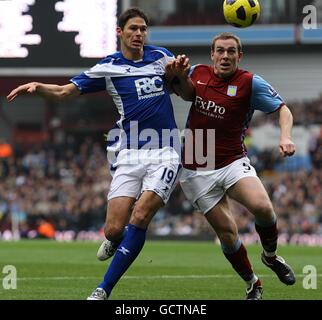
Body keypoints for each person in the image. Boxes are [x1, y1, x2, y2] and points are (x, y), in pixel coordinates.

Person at [7, 8, 182, 300]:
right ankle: (117, 240)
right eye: (133, 29)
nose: (139, 34)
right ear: (120, 32)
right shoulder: (108, 67)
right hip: (129, 154)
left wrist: (181, 75)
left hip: (165, 150)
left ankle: (103, 289)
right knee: (114, 229)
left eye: (143, 29)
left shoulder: (162, 57)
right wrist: (37, 87)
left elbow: (186, 92)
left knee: (140, 215)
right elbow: (65, 92)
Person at [167, 32, 296, 300]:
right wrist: (175, 74)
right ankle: (252, 283)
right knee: (228, 235)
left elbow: (283, 109)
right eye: (220, 51)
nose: (225, 56)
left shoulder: (250, 82)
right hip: (195, 169)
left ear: (240, 55)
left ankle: (270, 257)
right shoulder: (198, 72)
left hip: (232, 161)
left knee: (262, 207)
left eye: (231, 51)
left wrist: (285, 136)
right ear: (212, 54)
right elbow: (183, 92)